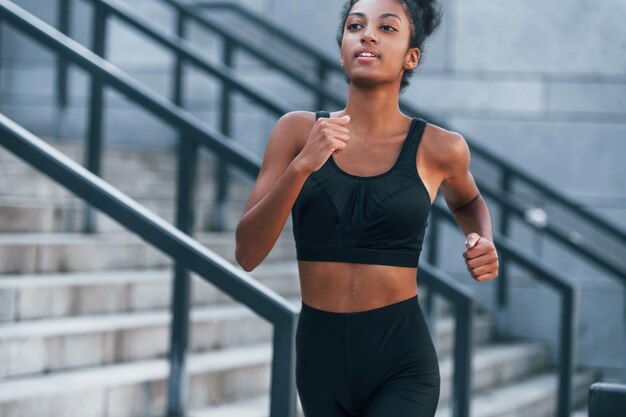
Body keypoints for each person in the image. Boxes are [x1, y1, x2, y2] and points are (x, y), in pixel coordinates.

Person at [235, 0, 499, 415]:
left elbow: (469, 199)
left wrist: (482, 236)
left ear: (411, 57)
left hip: (401, 360)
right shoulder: (296, 131)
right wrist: (303, 165)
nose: (368, 34)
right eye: (356, 25)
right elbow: (247, 253)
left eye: (387, 28)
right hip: (319, 361)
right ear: (343, 47)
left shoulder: (440, 147)